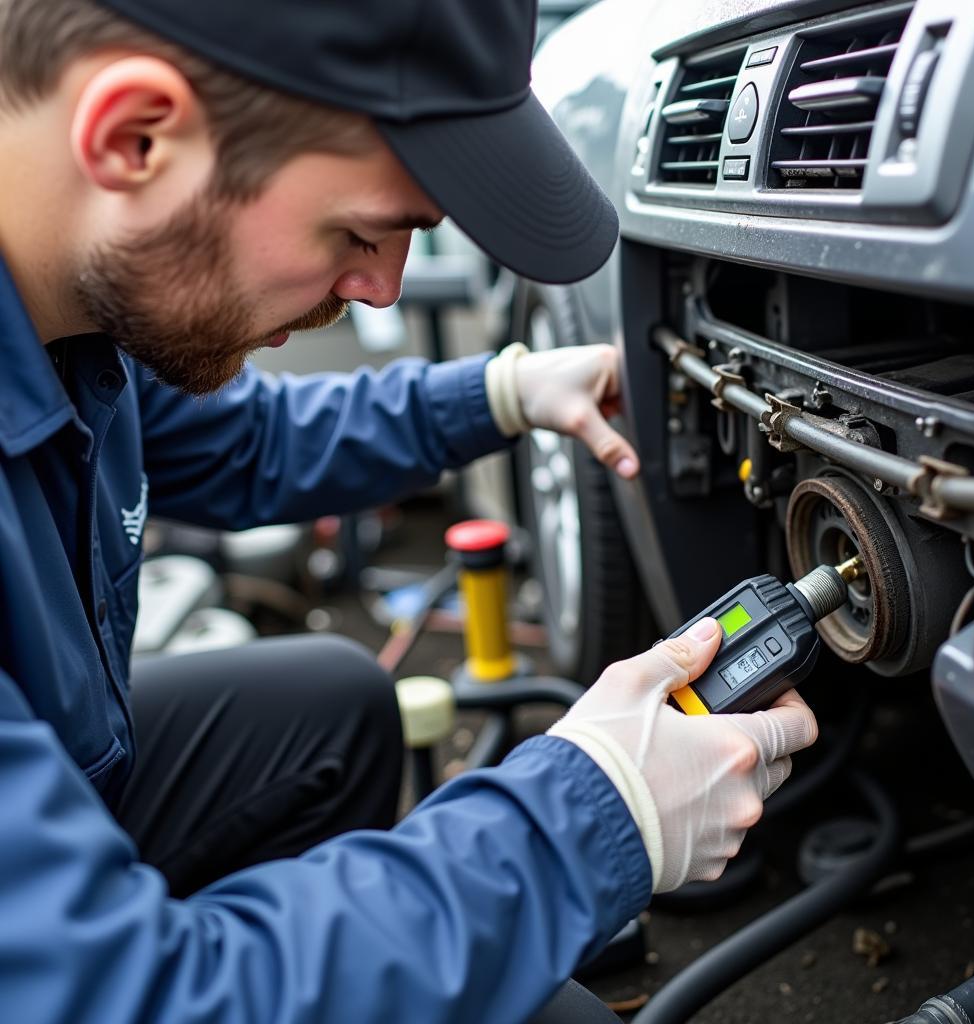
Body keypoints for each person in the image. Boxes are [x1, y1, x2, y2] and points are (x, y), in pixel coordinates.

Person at [0, 0, 820, 1021]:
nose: (382, 291)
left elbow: (242, 444)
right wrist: (593, 817)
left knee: (328, 708)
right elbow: (121, 992)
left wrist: (503, 393)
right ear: (136, 138)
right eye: (357, 231)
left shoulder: (70, 319)